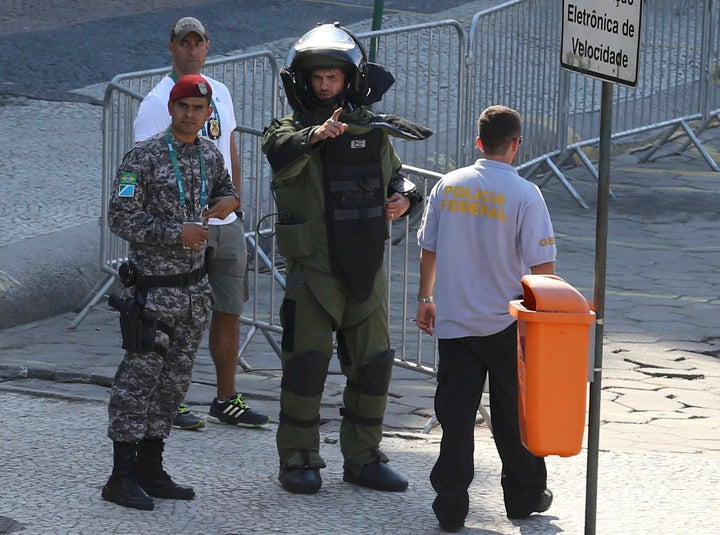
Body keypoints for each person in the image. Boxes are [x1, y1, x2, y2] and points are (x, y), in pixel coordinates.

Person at [261, 22, 430, 494]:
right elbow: (278, 153)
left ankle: (364, 457)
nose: (324, 84)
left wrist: (406, 198)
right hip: (313, 272)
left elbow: (398, 177)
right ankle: (298, 458)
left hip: (366, 270)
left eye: (332, 76)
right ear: (304, 81)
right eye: (316, 77)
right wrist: (316, 135)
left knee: (374, 366)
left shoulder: (372, 131)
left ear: (348, 79)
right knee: (305, 368)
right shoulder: (290, 130)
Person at [416, 105, 556, 531]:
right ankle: (523, 495)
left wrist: (426, 298)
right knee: (514, 413)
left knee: (455, 416)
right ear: (516, 144)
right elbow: (542, 267)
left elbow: (429, 248)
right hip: (507, 320)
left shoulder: (448, 185)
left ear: (478, 142)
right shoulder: (525, 194)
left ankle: (451, 503)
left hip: (455, 320)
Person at [103, 74, 240, 510]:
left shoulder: (209, 154)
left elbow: (227, 188)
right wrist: (173, 233)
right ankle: (120, 475)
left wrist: (229, 203)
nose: (190, 114)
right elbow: (120, 217)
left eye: (198, 109)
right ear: (172, 108)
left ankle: (152, 467)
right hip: (154, 292)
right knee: (137, 384)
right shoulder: (142, 157)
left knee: (173, 385)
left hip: (193, 291)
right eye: (184, 106)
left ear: (206, 114)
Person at [134, 16, 270, 430]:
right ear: (171, 46)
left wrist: (236, 205)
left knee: (228, 308)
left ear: (207, 46)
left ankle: (226, 398)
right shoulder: (158, 102)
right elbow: (142, 167)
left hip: (224, 222)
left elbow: (228, 145)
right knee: (174, 313)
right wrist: (170, 226)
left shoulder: (219, 92)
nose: (192, 49)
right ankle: (167, 396)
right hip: (180, 227)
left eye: (199, 43)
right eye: (184, 42)